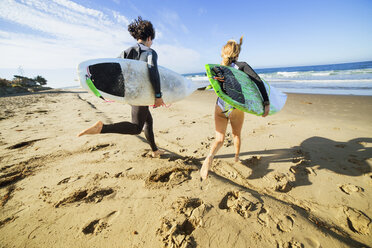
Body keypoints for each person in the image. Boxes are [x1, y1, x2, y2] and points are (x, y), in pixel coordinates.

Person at [77, 16, 165, 158]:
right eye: (152, 40)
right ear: (149, 38)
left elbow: (113, 70)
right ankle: (102, 128)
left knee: (148, 120)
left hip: (129, 94)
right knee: (136, 127)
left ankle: (154, 150)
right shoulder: (150, 52)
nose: (152, 43)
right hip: (140, 95)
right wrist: (158, 96)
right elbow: (153, 72)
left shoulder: (127, 51)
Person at [200, 36, 270, 180]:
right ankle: (236, 158)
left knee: (219, 139)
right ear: (237, 54)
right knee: (236, 135)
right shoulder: (242, 66)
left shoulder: (218, 68)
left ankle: (209, 157)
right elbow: (258, 82)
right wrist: (266, 103)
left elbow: (216, 86)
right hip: (235, 107)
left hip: (220, 105)